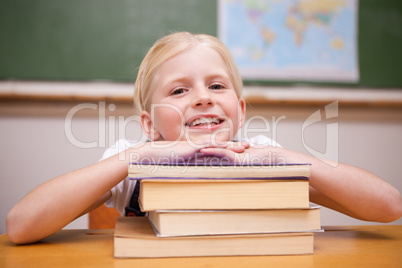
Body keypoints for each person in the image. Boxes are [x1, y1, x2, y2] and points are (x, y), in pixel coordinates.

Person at [6, 32, 402, 244]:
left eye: (216, 85)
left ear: (240, 112)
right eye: (178, 91)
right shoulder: (133, 162)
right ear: (149, 124)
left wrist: (279, 157)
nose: (201, 98)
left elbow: (388, 207)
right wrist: (137, 156)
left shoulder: (260, 156)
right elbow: (22, 225)